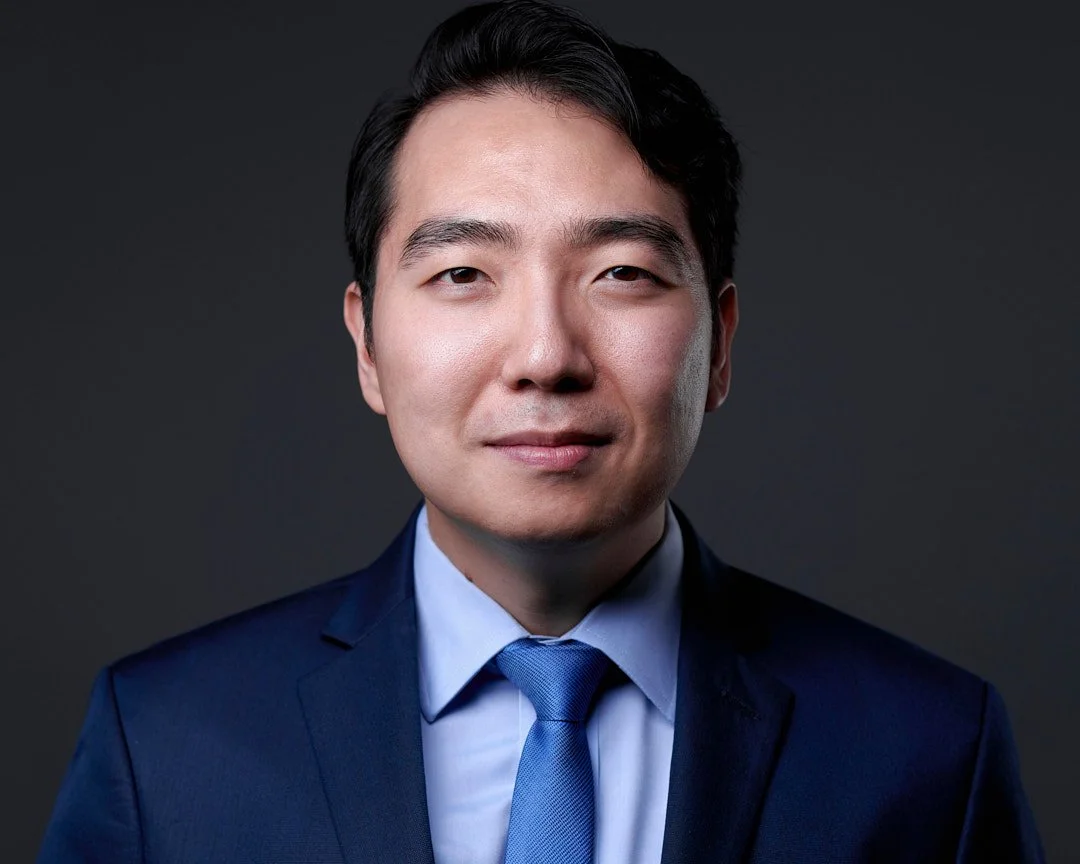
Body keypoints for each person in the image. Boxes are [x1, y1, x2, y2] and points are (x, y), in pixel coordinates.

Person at [38, 1, 1044, 861]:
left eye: (621, 274)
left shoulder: (925, 751)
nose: (545, 355)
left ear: (721, 341)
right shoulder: (167, 747)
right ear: (367, 345)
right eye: (463, 275)